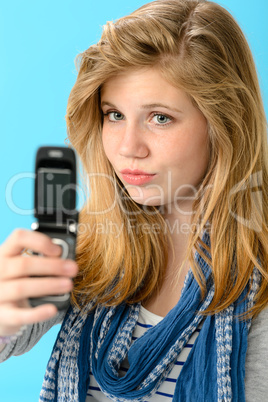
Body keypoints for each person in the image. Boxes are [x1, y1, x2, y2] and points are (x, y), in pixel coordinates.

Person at [0, 0, 267, 400]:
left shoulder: (257, 280)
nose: (128, 148)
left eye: (160, 117)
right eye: (114, 115)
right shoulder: (80, 243)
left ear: (223, 124)